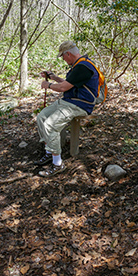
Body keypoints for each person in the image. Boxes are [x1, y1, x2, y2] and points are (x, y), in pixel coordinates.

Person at [35, 41, 100, 177]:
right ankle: (49, 151)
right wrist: (54, 77)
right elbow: (68, 84)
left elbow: (63, 88)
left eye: (63, 57)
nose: (63, 60)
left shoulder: (83, 67)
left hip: (80, 105)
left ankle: (57, 164)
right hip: (68, 102)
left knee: (50, 125)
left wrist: (48, 84)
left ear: (68, 54)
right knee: (42, 117)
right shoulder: (79, 65)